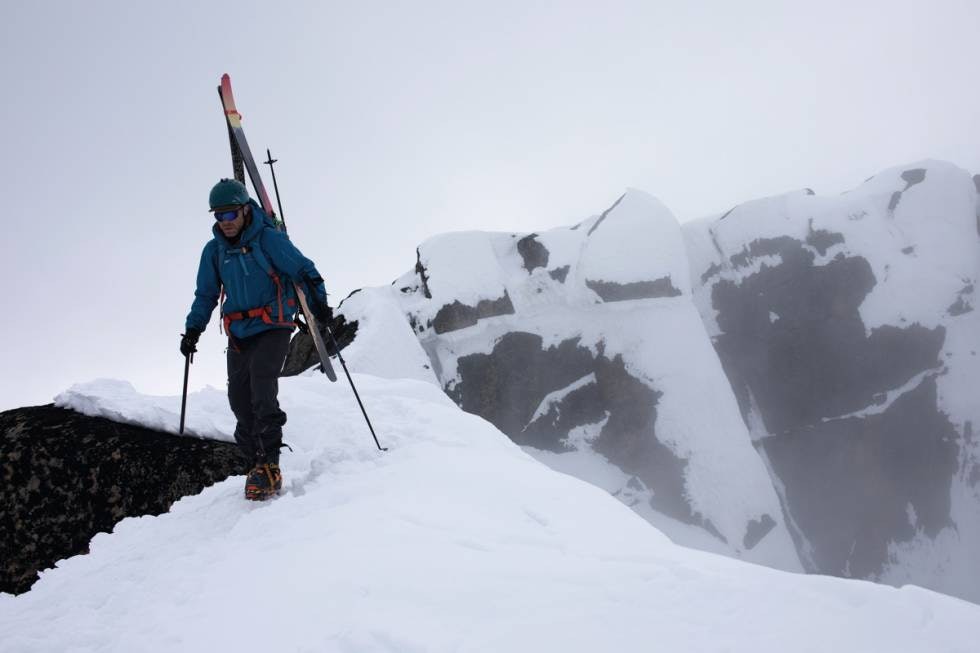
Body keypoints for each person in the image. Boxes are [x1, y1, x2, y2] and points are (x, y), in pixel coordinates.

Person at [180, 179, 330, 500]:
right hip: (238, 333)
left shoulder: (268, 240)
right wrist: (193, 330)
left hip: (274, 325)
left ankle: (270, 466)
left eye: (231, 213)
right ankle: (254, 465)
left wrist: (321, 306)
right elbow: (205, 294)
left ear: (246, 209)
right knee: (239, 398)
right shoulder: (214, 251)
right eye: (219, 216)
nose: (227, 221)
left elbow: (303, 269)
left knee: (262, 387)